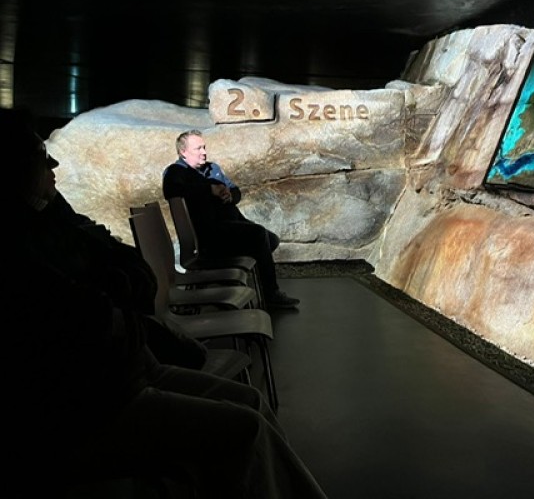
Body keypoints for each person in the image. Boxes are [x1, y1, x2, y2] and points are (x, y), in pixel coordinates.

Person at [0, 107, 327, 498]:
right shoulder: (175, 174)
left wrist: (224, 191)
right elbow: (98, 312)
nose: (53, 166)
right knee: (244, 429)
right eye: (41, 157)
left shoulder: (52, 215)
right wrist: (208, 193)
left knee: (251, 400)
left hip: (131, 367)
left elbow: (129, 274)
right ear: (14, 169)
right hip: (97, 402)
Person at [162, 129, 299, 309]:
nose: (204, 152)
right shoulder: (176, 172)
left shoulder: (213, 169)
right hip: (209, 233)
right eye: (198, 148)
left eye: (204, 147)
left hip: (232, 224)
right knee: (258, 236)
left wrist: (230, 195)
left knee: (271, 239)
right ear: (183, 152)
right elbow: (171, 190)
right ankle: (269, 294)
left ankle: (227, 280)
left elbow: (235, 191)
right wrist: (209, 190)